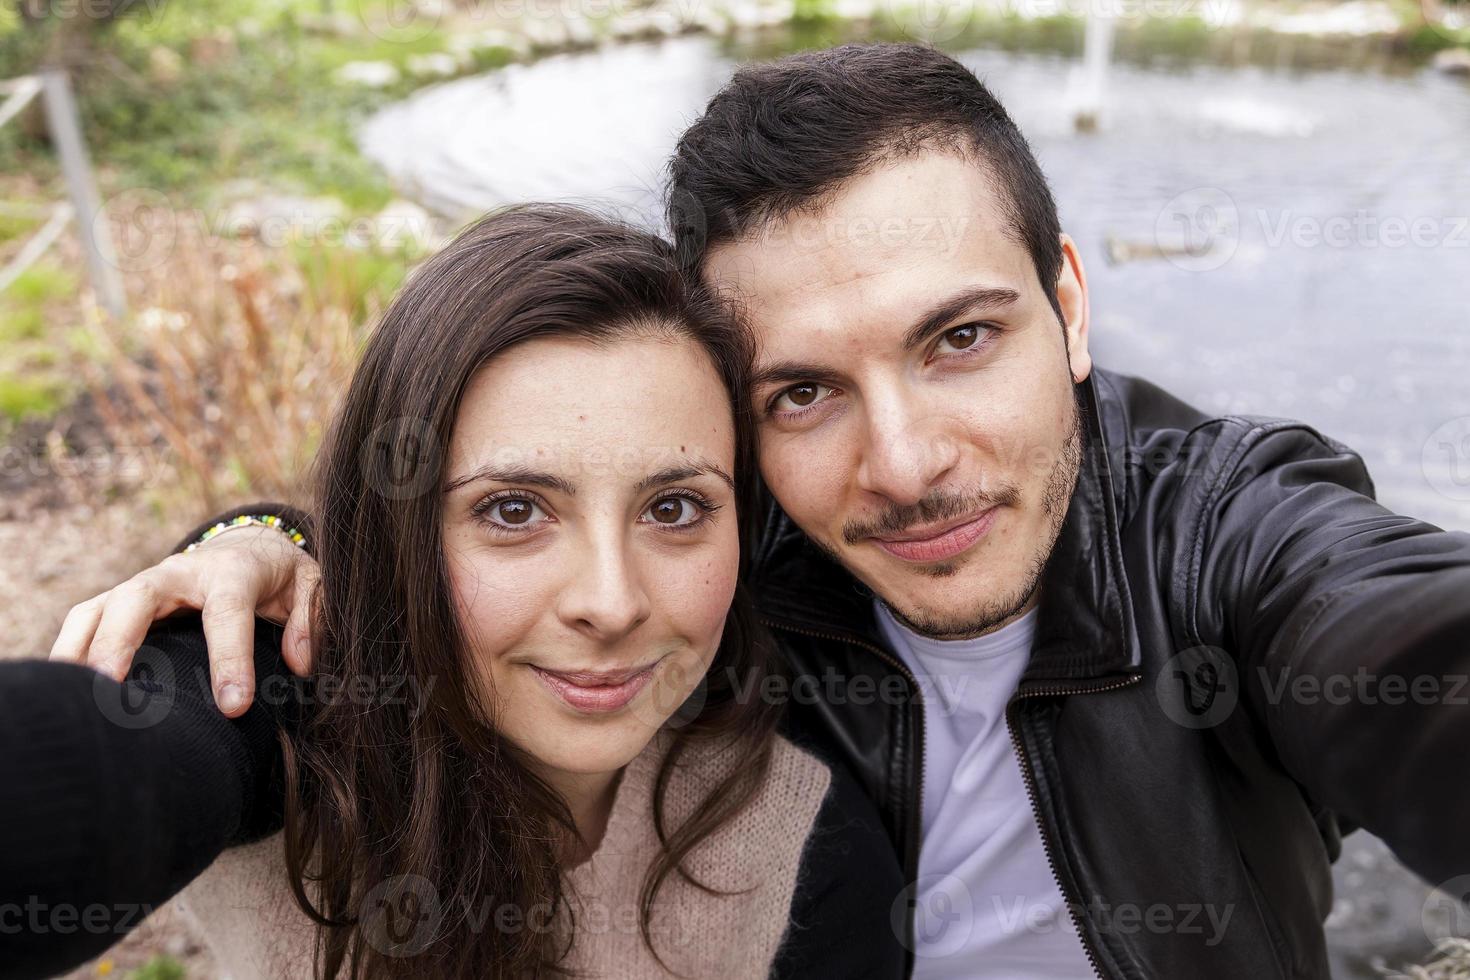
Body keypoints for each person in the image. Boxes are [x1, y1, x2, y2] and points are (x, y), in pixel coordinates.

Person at [33, 43, 1470, 979]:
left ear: (1070, 305)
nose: (902, 464)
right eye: (800, 393)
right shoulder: (716, 565)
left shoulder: (1218, 535)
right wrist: (259, 542)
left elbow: (1396, 639)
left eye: (959, 338)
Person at [0, 205, 905, 979]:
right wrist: (255, 536)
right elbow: (114, 776)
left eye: (673, 506)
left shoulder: (802, 843)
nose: (611, 601)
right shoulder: (293, 721)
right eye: (514, 509)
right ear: (401, 532)